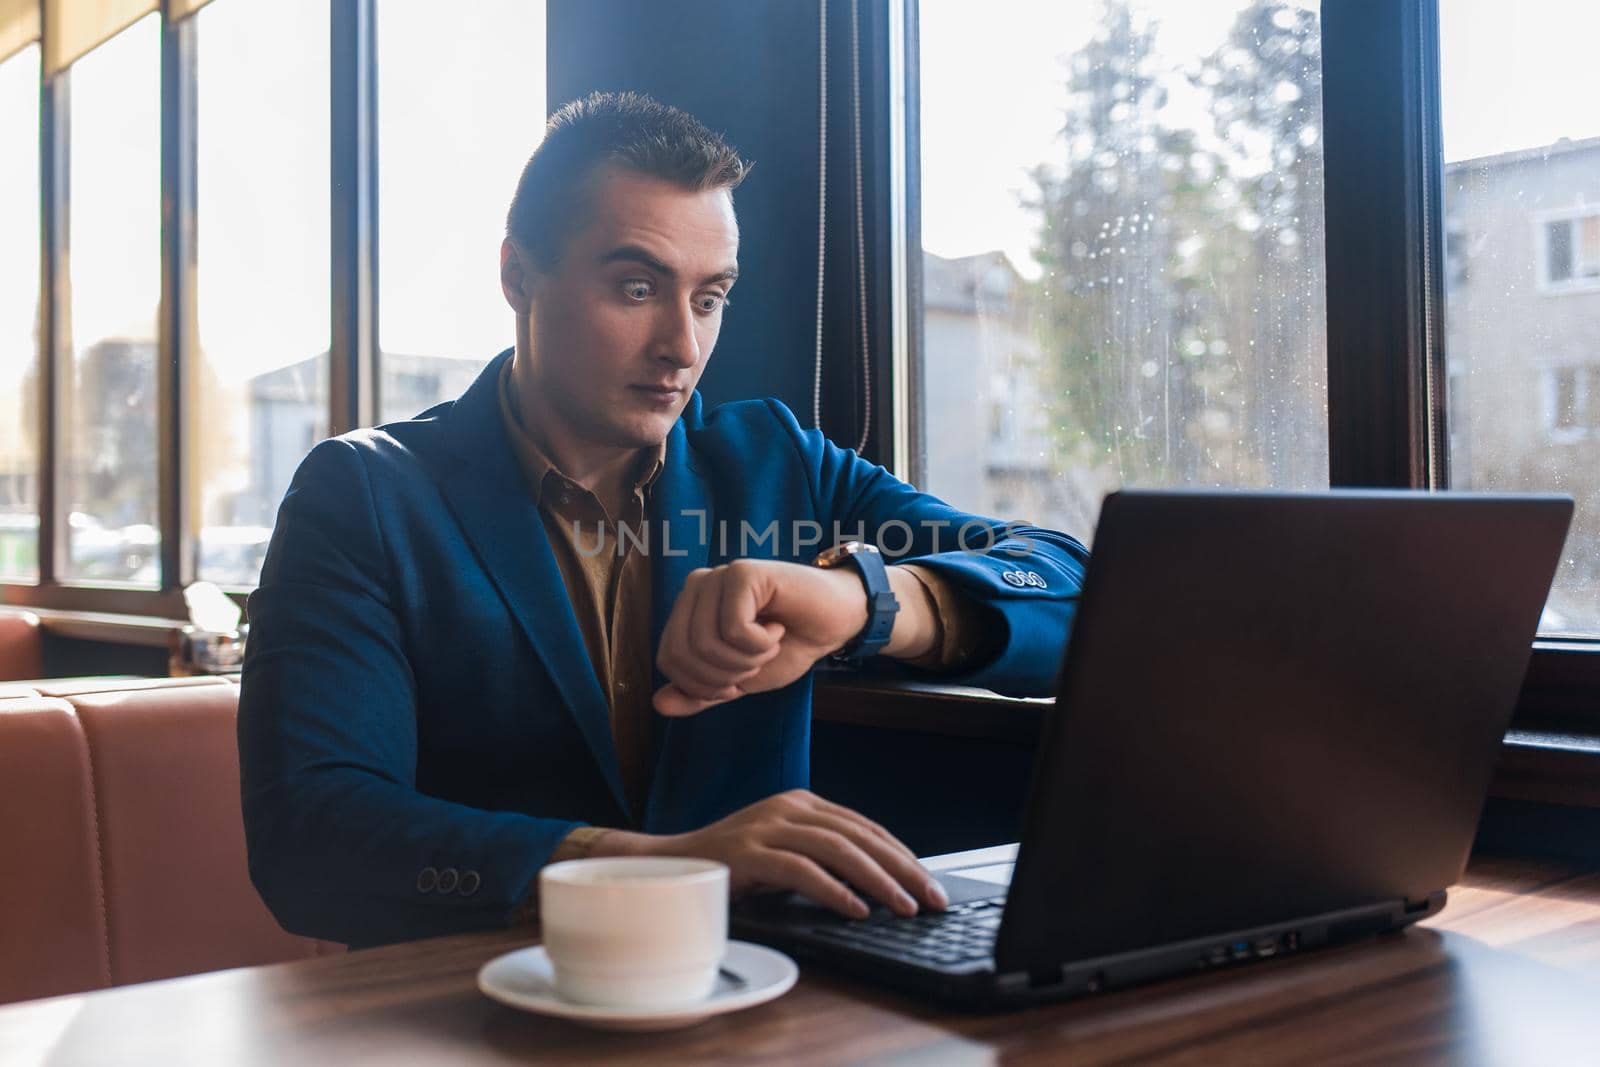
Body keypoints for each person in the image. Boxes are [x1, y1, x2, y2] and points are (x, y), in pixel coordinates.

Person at [238, 91, 1089, 949]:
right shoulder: (367, 496)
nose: (681, 346)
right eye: (637, 287)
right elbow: (310, 836)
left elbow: (1069, 583)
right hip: (470, 1010)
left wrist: (862, 600)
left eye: (710, 297)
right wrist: (646, 867)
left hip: (751, 995)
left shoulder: (777, 463)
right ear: (518, 275)